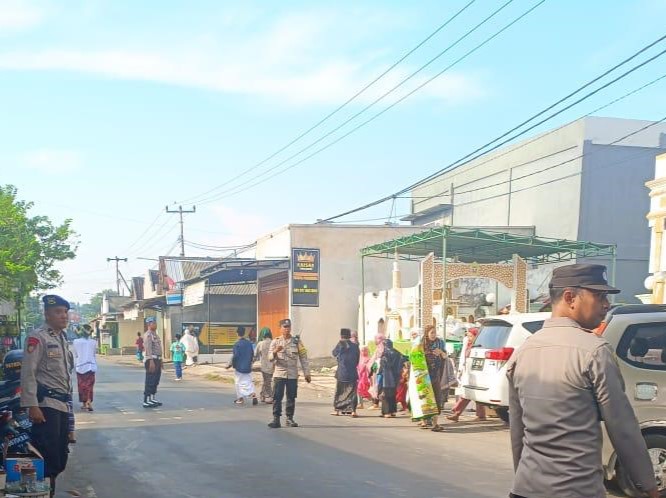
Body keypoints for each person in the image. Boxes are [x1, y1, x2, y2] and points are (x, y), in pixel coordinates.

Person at [507, 264, 659, 498]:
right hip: (576, 491)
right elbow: (623, 429)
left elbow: (518, 431)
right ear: (570, 297)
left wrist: (524, 478)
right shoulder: (594, 352)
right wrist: (649, 485)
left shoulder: (523, 352)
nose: (607, 304)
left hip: (526, 489)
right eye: (600, 296)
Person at [20, 295, 74, 498]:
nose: (64, 316)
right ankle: (42, 493)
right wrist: (32, 406)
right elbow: (28, 372)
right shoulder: (38, 337)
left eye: (65, 312)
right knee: (47, 456)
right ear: (47, 314)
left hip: (62, 405)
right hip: (46, 406)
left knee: (60, 456)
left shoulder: (61, 337)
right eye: (58, 312)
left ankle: (47, 490)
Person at [268, 319, 311, 428]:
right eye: (284, 327)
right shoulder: (275, 341)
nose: (287, 329)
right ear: (280, 328)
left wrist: (307, 373)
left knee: (291, 397)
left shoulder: (297, 342)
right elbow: (269, 358)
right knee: (277, 397)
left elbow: (303, 358)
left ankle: (289, 418)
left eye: (288, 327)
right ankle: (276, 419)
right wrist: (275, 351)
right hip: (279, 374)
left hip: (292, 374)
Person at [422, 325, 447, 431]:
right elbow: (416, 358)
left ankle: (435, 423)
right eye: (431, 332)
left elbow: (445, 356)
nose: (433, 335)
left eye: (434, 332)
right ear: (427, 333)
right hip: (424, 375)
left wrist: (440, 352)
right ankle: (424, 421)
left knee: (436, 397)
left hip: (436, 374)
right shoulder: (422, 344)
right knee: (426, 398)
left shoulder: (440, 343)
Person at [331, 328, 360, 417]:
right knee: (352, 392)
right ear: (349, 336)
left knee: (340, 391)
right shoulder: (355, 346)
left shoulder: (340, 344)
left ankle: (337, 410)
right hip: (352, 372)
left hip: (342, 372)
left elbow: (334, 353)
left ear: (341, 336)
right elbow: (357, 359)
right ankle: (353, 411)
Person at [228, 327, 258, 405]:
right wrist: (250, 363)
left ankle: (240, 399)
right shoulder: (249, 343)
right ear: (244, 333)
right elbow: (252, 354)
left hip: (239, 367)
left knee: (238, 382)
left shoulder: (237, 344)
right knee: (249, 382)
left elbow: (235, 356)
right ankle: (253, 394)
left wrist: (232, 365)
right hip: (248, 366)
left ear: (237, 333)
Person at [72, 324, 97, 412]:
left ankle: (84, 403)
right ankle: (89, 401)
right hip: (91, 365)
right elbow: (94, 354)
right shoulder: (94, 342)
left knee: (82, 385)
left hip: (80, 366)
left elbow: (76, 354)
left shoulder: (75, 341)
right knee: (90, 385)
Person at [379, 339, 403, 418]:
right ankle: (393, 411)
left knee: (385, 394)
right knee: (393, 394)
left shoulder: (385, 354)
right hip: (396, 376)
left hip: (387, 377)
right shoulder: (397, 353)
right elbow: (404, 360)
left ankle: (387, 412)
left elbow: (383, 366)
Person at [142, 317, 163, 408]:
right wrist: (150, 361)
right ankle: (146, 400)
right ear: (149, 324)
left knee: (156, 380)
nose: (155, 324)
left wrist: (161, 360)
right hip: (151, 360)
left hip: (157, 359)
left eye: (155, 323)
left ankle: (152, 398)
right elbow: (148, 349)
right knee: (150, 380)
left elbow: (158, 348)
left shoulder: (155, 335)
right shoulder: (148, 335)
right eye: (154, 323)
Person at [254, 327, 274, 403]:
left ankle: (266, 395)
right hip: (273, 365)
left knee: (267, 381)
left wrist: (251, 363)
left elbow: (255, 355)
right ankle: (266, 396)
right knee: (267, 381)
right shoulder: (274, 342)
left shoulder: (260, 343)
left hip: (264, 366)